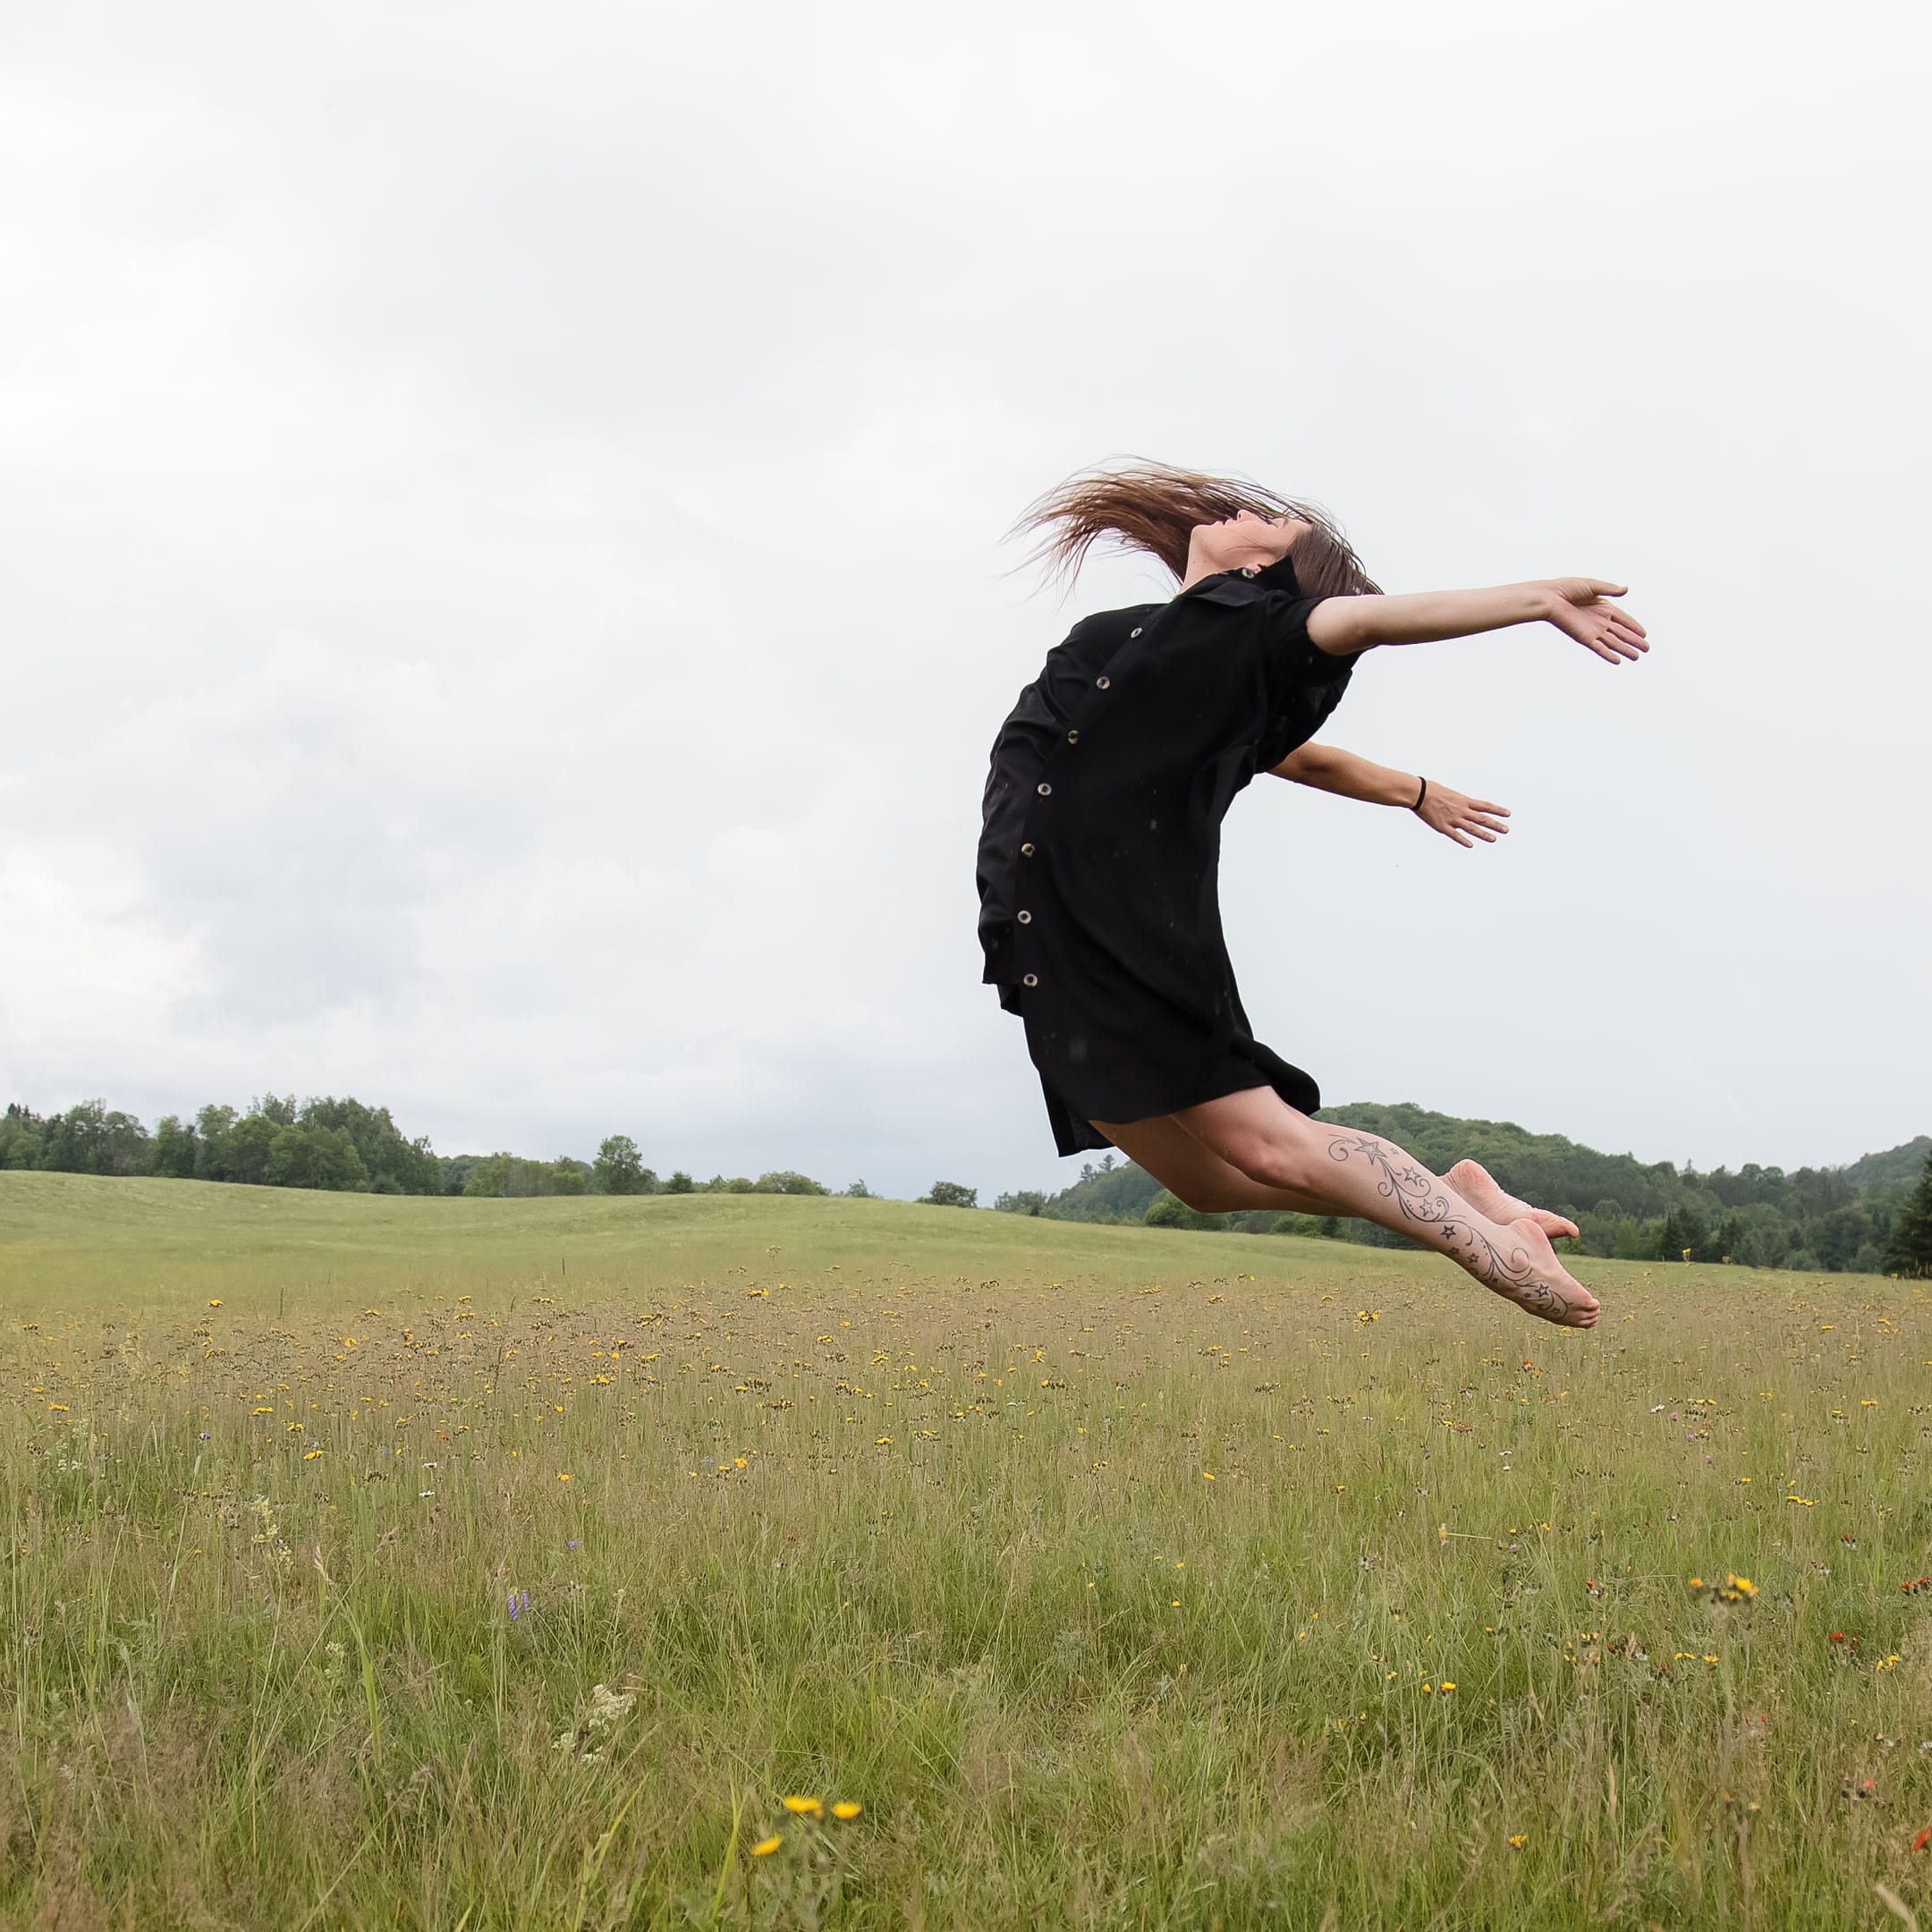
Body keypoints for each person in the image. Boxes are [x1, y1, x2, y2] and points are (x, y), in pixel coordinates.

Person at [976, 462, 1649, 1328]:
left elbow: (1368, 620)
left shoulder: (1249, 628)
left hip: (1118, 927)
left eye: (1274, 523)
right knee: (1212, 1182)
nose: (1247, 509)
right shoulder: (1169, 657)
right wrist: (1415, 789)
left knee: (1268, 1144)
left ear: (1266, 576)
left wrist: (1536, 599)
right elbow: (1305, 759)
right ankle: (1460, 1195)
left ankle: (1490, 1246)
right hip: (1049, 937)